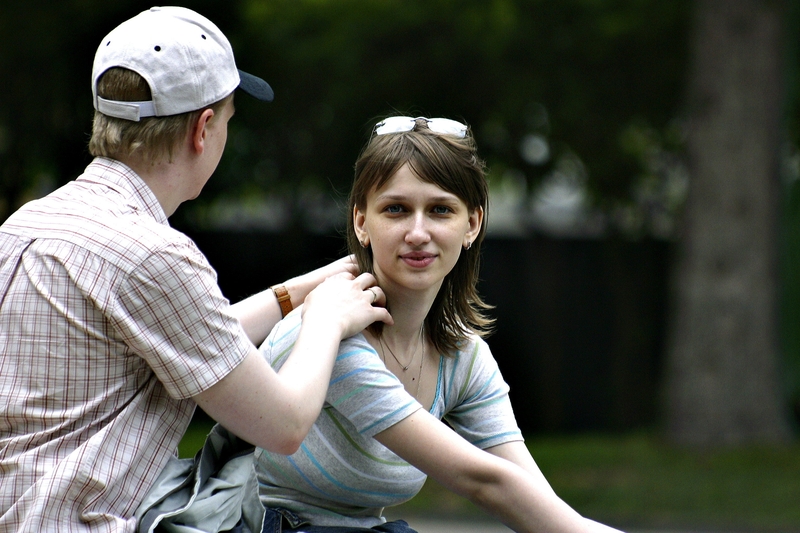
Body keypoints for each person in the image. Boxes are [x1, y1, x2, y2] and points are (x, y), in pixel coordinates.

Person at [0, 7, 389, 533]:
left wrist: (299, 290)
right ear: (203, 128)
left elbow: (197, 338)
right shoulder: (155, 254)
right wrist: (325, 319)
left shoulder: (26, 225)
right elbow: (285, 424)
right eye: (228, 119)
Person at [254, 116, 624, 533]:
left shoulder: (462, 357)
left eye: (440, 210)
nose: (417, 232)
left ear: (472, 224)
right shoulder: (335, 331)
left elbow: (533, 497)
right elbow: (485, 481)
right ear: (362, 222)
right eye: (395, 209)